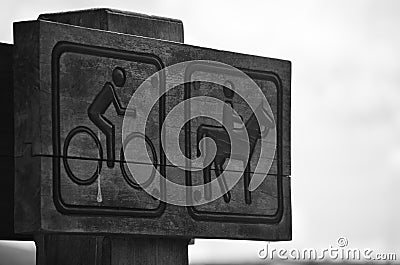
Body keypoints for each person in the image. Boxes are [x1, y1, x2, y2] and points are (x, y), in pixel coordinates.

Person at [88, 66, 135, 168]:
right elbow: (118, 110)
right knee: (110, 130)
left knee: (110, 129)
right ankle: (110, 162)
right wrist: (133, 112)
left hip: (96, 113)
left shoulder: (110, 87)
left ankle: (110, 162)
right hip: (95, 114)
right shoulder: (109, 88)